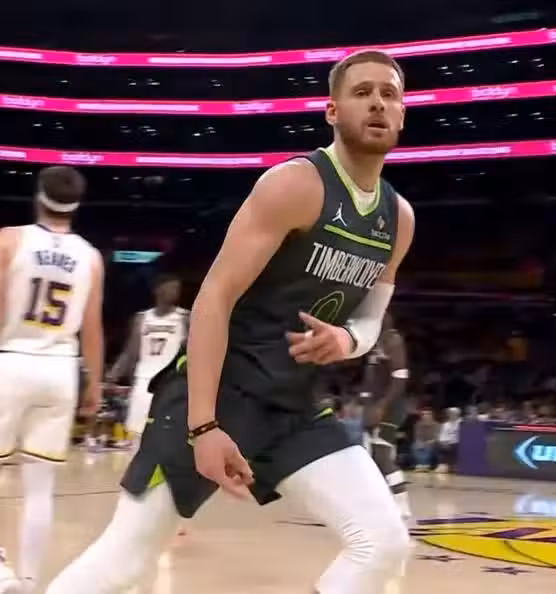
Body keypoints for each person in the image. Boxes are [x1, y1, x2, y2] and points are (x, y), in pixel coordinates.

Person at [45, 49, 415, 594]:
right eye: (362, 92)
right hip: (219, 393)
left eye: (389, 94)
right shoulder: (295, 185)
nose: (378, 103)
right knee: (126, 559)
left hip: (294, 405)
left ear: (403, 112)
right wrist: (204, 426)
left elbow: (369, 322)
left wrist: (345, 338)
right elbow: (214, 298)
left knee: (383, 542)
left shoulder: (398, 219)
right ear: (332, 111)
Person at [0, 166, 104, 594]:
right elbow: (92, 329)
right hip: (61, 370)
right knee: (40, 487)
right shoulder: (91, 257)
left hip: (12, 360)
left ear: (37, 196)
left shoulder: (9, 240)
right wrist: (95, 384)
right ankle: (29, 583)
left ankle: (1, 572)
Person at [105, 273, 188, 444]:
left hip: (169, 384)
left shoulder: (185, 318)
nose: (174, 290)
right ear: (157, 289)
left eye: (177, 287)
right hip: (143, 382)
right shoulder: (141, 318)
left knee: (167, 437)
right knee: (136, 438)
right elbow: (130, 352)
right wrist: (112, 376)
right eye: (170, 286)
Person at [361, 312, 412, 521]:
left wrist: (382, 405)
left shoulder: (393, 340)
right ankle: (381, 502)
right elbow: (371, 377)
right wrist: (366, 400)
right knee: (372, 457)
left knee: (381, 454)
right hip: (375, 404)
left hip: (391, 406)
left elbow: (400, 378)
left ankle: (403, 505)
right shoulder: (374, 343)